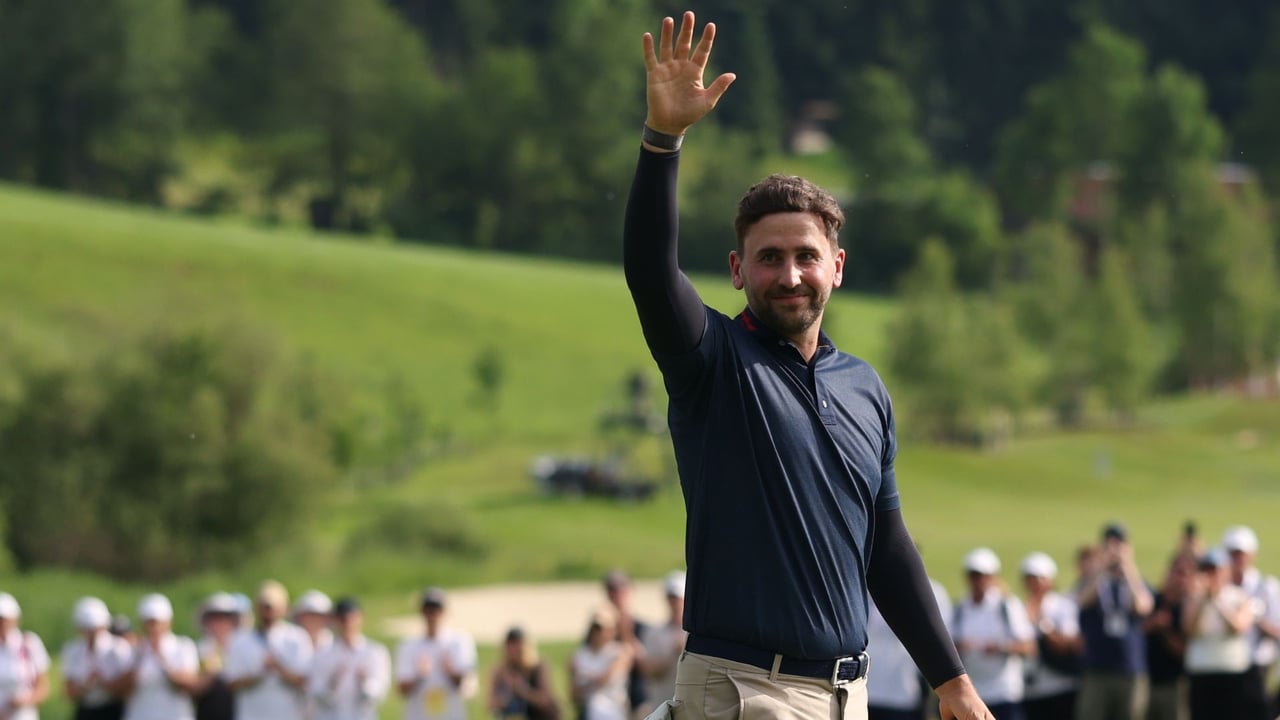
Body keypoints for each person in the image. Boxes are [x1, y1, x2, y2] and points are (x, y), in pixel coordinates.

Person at [622, 10, 990, 719]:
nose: (789, 274)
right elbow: (647, 269)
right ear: (736, 270)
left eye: (805, 256)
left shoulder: (864, 387)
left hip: (844, 694)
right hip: (745, 689)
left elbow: (885, 547)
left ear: (837, 268)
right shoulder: (713, 362)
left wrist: (952, 680)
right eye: (769, 258)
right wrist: (663, 139)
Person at [1075, 523, 1154, 720]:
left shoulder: (1135, 581)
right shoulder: (1095, 581)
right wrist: (1102, 567)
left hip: (1130, 670)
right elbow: (1082, 601)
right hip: (1097, 670)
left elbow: (1143, 605)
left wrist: (1128, 567)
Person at [952, 549, 1035, 719]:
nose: (978, 580)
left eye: (983, 575)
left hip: (1004, 692)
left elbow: (1028, 646)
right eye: (974, 575)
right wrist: (961, 646)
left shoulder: (1007, 606)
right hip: (972, 694)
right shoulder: (961, 608)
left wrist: (999, 648)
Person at [1181, 548, 1260, 720]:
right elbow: (1191, 630)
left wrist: (1217, 601)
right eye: (1207, 570)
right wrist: (1204, 601)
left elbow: (1237, 627)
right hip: (1202, 673)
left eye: (1216, 570)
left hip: (1232, 672)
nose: (1212, 575)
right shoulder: (1194, 598)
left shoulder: (1238, 596)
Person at [867, 571, 953, 720]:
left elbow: (942, 640)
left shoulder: (933, 591)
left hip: (906, 692)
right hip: (867, 693)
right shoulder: (865, 588)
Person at [225, 580, 314, 720]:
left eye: (273, 607)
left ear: (284, 608)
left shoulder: (297, 638)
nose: (269, 612)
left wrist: (278, 668)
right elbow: (232, 682)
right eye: (265, 607)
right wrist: (259, 674)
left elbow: (305, 680)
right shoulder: (240, 640)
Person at [1220, 525, 1280, 716]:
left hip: (1257, 668)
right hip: (1224, 667)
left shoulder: (1266, 586)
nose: (1238, 559)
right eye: (1233, 554)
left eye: (1242, 554)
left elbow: (1277, 630)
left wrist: (1254, 620)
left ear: (1252, 555)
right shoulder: (1218, 588)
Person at [395, 587, 478, 720]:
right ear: (422, 612)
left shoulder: (460, 642)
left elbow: (467, 685)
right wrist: (420, 675)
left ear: (444, 612)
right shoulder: (408, 646)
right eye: (428, 610)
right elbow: (402, 690)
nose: (432, 614)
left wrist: (450, 671)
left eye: (436, 610)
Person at [116, 594, 200, 720]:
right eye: (149, 622)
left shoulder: (183, 645)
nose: (153, 627)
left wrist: (161, 659)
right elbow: (121, 690)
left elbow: (190, 684)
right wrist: (140, 658)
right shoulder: (134, 649)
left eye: (157, 622)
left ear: (169, 622)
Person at [308, 597, 391, 720]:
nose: (347, 623)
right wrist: (332, 683)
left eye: (351, 618)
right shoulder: (323, 653)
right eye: (342, 619)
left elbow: (379, 694)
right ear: (335, 621)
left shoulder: (375, 652)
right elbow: (316, 693)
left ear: (361, 618)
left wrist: (365, 683)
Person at [1020, 553, 1081, 720]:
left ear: (1049, 580)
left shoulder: (1063, 606)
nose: (1033, 583)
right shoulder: (1018, 607)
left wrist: (1041, 624)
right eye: (1029, 578)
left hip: (1060, 687)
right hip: (1030, 690)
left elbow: (1067, 645)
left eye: (1038, 578)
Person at [62, 596, 131, 720]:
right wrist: (86, 685)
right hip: (86, 711)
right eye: (88, 629)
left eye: (96, 629)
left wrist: (105, 683)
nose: (92, 634)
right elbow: (69, 692)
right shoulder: (73, 650)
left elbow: (128, 688)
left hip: (114, 710)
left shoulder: (119, 647)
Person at [632, 571, 688, 718]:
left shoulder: (693, 634)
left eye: (678, 598)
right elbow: (649, 670)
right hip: (661, 704)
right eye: (671, 597)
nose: (674, 602)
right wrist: (674, 653)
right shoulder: (654, 633)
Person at [1144, 556, 1193, 720]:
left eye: (1185, 574)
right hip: (1145, 683)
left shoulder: (1189, 609)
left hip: (1174, 685)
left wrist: (1165, 631)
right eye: (1177, 573)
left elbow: (1185, 652)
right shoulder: (1151, 600)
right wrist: (1153, 623)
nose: (1180, 579)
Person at [570, 607, 632, 720]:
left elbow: (604, 679)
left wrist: (585, 676)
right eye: (595, 627)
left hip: (615, 708)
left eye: (601, 628)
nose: (597, 632)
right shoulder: (579, 655)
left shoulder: (620, 652)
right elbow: (573, 693)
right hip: (588, 709)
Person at [600, 570, 648, 715]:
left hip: (637, 698)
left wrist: (627, 634)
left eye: (620, 589)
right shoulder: (599, 629)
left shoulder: (641, 628)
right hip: (607, 702)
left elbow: (645, 665)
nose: (616, 595)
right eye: (611, 590)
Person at [489, 626, 560, 720]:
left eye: (516, 644)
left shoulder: (537, 667)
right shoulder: (500, 671)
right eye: (510, 644)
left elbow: (545, 699)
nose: (513, 649)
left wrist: (523, 690)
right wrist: (506, 695)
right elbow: (491, 703)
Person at [0, 592, 50, 720]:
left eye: (4, 619)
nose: (2, 623)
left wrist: (25, 701)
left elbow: (43, 687)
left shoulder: (29, 643)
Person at [192, 593, 241, 720]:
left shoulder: (242, 647)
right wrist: (210, 673)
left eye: (225, 618)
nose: (220, 623)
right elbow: (194, 690)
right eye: (215, 618)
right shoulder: (198, 649)